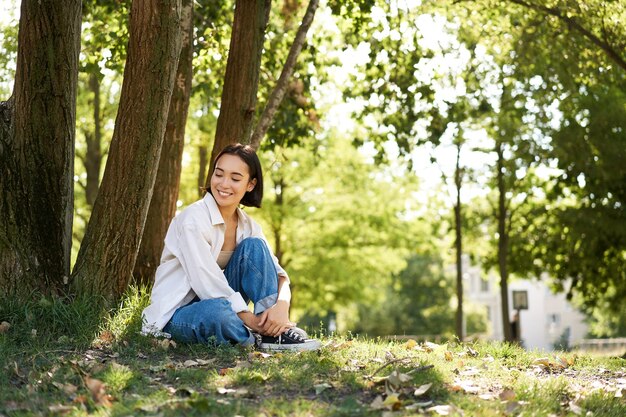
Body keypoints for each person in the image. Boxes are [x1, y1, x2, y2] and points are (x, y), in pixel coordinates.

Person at [142, 143, 320, 351]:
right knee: (217, 313)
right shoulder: (193, 219)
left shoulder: (248, 226)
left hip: (225, 304)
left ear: (250, 185)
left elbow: (280, 275)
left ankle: (274, 333)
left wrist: (282, 306)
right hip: (178, 313)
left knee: (255, 246)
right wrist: (253, 321)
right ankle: (259, 336)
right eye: (219, 174)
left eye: (235, 179)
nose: (224, 184)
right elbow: (207, 284)